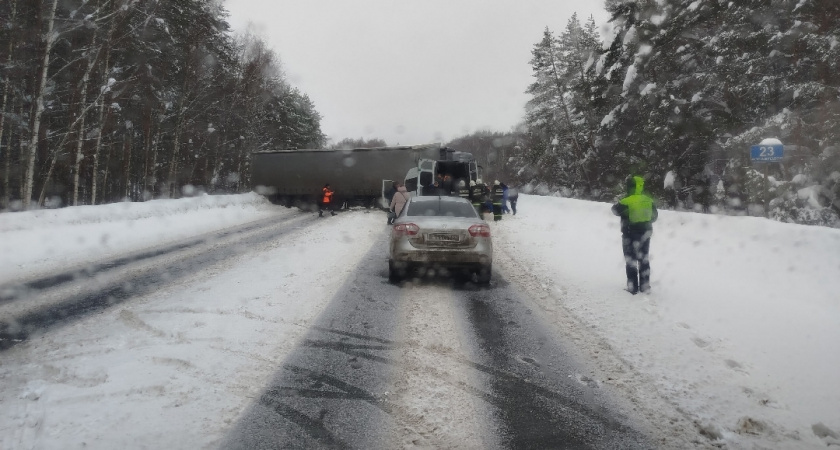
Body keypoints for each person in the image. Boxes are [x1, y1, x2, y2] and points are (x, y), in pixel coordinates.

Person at [612, 175, 658, 294]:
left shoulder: (627, 201)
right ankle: (645, 286)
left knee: (631, 259)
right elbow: (654, 217)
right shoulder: (649, 200)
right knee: (644, 259)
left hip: (629, 234)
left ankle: (633, 287)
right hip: (645, 234)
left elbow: (614, 210)